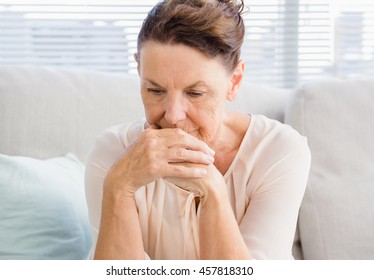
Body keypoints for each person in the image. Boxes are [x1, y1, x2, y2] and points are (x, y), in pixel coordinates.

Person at [85, 0, 311, 260]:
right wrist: (118, 187)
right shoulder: (112, 153)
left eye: (195, 93)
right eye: (155, 90)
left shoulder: (278, 151)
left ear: (234, 82)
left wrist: (212, 190)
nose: (172, 115)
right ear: (138, 71)